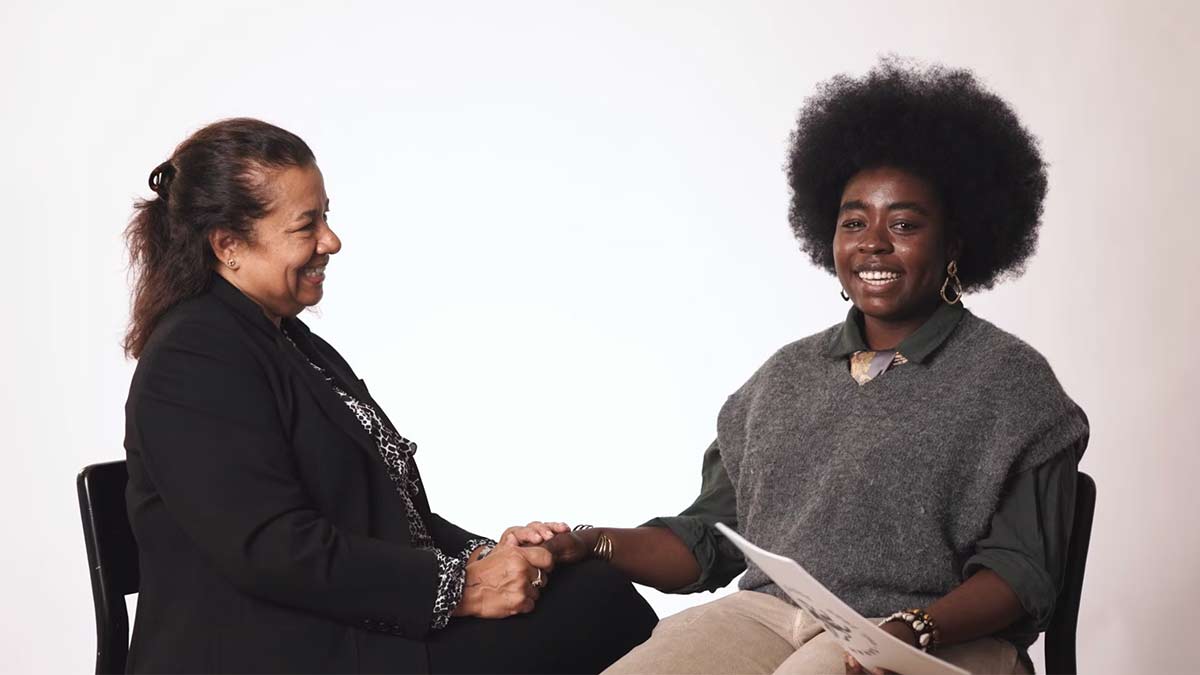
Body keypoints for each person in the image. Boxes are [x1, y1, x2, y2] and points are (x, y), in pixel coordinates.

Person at [511, 59, 1089, 675]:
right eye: (853, 222)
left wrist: (913, 629)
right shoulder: (782, 380)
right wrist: (592, 542)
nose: (873, 241)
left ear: (954, 245)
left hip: (936, 636)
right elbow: (708, 540)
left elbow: (1022, 573)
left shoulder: (1012, 385)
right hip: (768, 618)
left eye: (904, 224)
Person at [121, 118, 656, 674]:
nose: (331, 240)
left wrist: (492, 558)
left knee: (591, 587)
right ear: (228, 245)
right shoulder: (194, 357)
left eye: (325, 215)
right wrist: (462, 588)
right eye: (307, 226)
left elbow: (380, 509)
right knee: (598, 609)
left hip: (343, 627)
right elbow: (271, 549)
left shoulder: (291, 342)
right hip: (278, 649)